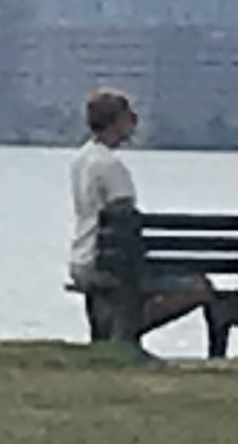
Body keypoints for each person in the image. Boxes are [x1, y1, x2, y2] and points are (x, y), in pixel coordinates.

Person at [68, 88, 231, 355]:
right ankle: (123, 335)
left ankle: (114, 336)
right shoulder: (110, 167)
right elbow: (125, 220)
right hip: (109, 265)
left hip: (82, 259)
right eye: (129, 117)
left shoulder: (82, 159)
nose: (134, 123)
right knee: (199, 287)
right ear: (116, 121)